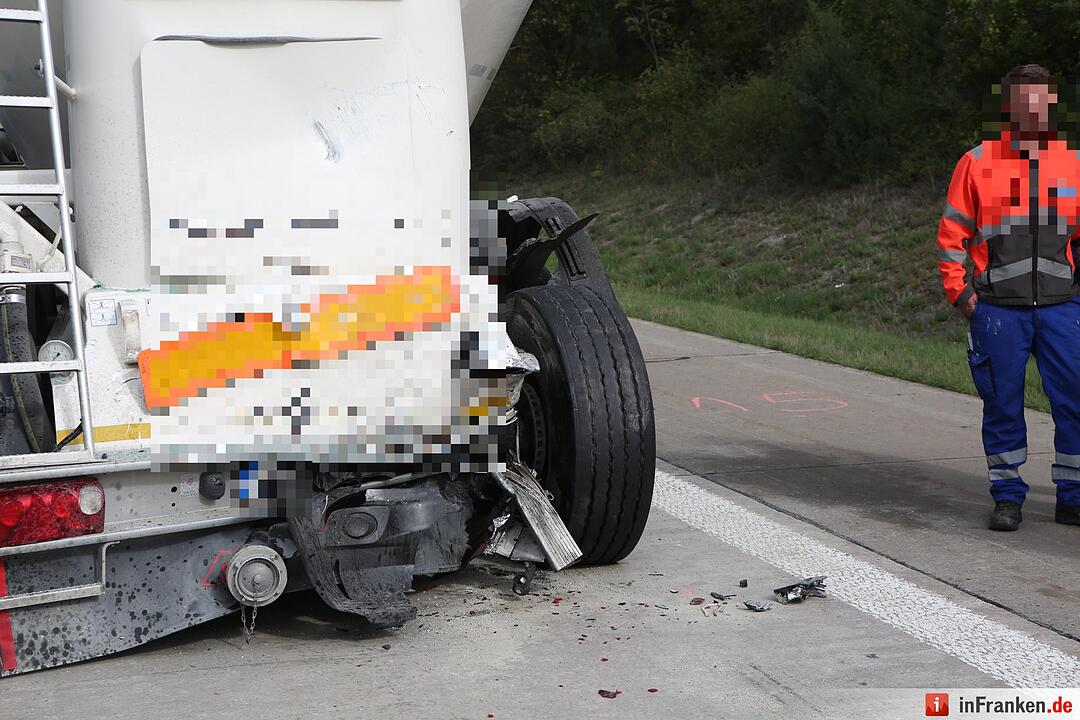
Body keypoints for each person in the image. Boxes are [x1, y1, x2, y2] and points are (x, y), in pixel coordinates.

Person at [937, 63, 1080, 531]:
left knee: (1075, 401)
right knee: (1002, 403)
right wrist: (960, 293)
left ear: (1051, 107)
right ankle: (1007, 495)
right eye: (1024, 104)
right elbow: (951, 234)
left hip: (1064, 308)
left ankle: (1072, 497)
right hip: (998, 310)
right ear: (1009, 108)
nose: (1032, 113)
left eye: (1040, 104)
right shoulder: (976, 162)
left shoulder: (1073, 162)